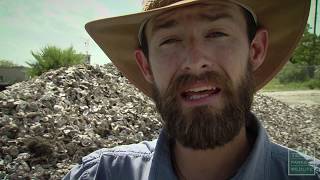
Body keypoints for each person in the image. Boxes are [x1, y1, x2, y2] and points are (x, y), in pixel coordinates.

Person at [64, 0, 320, 179]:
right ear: (146, 66)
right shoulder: (102, 174)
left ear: (255, 50)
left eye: (217, 33)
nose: (195, 61)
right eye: (170, 40)